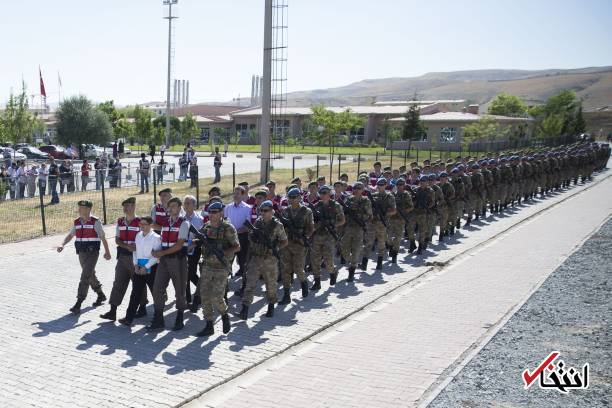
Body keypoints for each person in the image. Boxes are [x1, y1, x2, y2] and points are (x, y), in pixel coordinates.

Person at [56, 200, 112, 314]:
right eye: (79, 208)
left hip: (92, 253)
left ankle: (79, 302)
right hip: (81, 252)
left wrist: (107, 252)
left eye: (81, 208)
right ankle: (100, 295)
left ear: (87, 209)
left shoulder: (95, 222)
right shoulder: (77, 222)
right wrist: (62, 244)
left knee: (85, 276)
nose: (79, 210)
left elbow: (103, 237)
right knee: (90, 274)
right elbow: (71, 235)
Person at [195, 201, 240, 336]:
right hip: (208, 266)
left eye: (215, 212)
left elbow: (237, 246)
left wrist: (224, 252)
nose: (212, 215)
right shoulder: (206, 226)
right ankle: (209, 325)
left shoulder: (228, 228)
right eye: (210, 212)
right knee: (205, 296)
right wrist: (195, 243)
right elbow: (200, 239)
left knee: (217, 297)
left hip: (221, 267)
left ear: (221, 213)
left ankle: (224, 314)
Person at [100, 197, 148, 322]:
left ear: (133, 206)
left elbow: (146, 239)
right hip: (122, 257)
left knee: (139, 284)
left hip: (137, 258)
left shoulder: (140, 222)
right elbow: (117, 239)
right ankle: (113, 311)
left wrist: (137, 248)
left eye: (128, 205)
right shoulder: (120, 221)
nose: (125, 208)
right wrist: (126, 246)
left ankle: (142, 307)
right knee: (118, 282)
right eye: (124, 206)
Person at [239, 200, 288, 320]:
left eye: (266, 211)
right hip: (256, 258)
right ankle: (245, 309)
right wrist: (254, 238)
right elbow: (251, 236)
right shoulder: (257, 222)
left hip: (269, 259)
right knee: (249, 284)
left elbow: (284, 241)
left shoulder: (277, 225)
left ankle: (271, 306)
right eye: (261, 210)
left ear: (272, 211)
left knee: (270, 285)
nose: (263, 213)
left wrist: (275, 248)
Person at [148, 197, 190, 331]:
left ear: (179, 208)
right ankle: (159, 318)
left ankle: (179, 317)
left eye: (173, 206)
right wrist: (157, 252)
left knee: (179, 289)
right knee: (157, 288)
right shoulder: (165, 223)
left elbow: (179, 245)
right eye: (169, 206)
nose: (170, 208)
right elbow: (162, 240)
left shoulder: (184, 223)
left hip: (177, 260)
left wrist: (161, 253)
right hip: (164, 260)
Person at [118, 216, 161, 326]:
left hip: (151, 268)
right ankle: (129, 318)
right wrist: (136, 265)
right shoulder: (138, 235)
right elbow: (135, 251)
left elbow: (156, 256)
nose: (141, 226)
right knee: (135, 294)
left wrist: (146, 267)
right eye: (140, 224)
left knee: (155, 294)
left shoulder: (156, 237)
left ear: (151, 225)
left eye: (144, 224)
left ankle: (158, 319)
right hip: (138, 268)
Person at [278, 188, 314, 304]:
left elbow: (310, 228)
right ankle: (286, 295)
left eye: (294, 197)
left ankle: (303, 283)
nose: (292, 200)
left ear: (299, 198)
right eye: (290, 197)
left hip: (299, 245)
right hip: (287, 244)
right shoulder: (285, 211)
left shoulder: (307, 211)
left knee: (298, 269)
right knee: (285, 270)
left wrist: (305, 238)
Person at [309, 185, 345, 290]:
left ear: (330, 194)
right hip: (317, 236)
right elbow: (312, 223)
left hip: (329, 236)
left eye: (326, 193)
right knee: (315, 260)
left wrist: (332, 225)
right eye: (322, 193)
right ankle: (317, 282)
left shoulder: (336, 205)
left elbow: (342, 220)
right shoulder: (316, 207)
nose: (324, 195)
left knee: (328, 259)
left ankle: (333, 272)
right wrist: (317, 225)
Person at [340, 182, 372, 281]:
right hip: (349, 227)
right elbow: (342, 212)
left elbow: (369, 215)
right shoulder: (349, 199)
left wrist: (360, 217)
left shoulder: (365, 201)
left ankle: (352, 270)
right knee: (344, 248)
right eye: (355, 188)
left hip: (359, 228)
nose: (357, 190)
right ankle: (353, 261)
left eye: (359, 188)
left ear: (363, 189)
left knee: (356, 248)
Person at [224, 186, 252, 276]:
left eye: (238, 193)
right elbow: (225, 221)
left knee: (242, 261)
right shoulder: (228, 207)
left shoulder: (247, 208)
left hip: (242, 237)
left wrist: (235, 232)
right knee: (227, 261)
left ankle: (243, 284)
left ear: (243, 195)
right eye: (234, 193)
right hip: (229, 238)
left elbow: (247, 226)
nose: (235, 195)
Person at [183, 195, 204, 312]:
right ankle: (188, 300)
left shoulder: (199, 219)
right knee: (184, 275)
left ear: (194, 205)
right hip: (183, 249)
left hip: (194, 249)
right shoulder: (181, 218)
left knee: (191, 274)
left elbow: (200, 236)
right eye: (185, 203)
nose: (185, 205)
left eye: (188, 203)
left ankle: (201, 291)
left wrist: (192, 245)